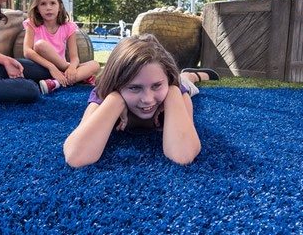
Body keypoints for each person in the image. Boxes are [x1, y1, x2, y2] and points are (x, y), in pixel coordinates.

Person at [63, 34, 219, 168]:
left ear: (167, 80)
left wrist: (172, 93)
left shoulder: (174, 91)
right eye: (134, 88)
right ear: (116, 85)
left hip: (176, 83)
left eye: (156, 85)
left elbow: (183, 155)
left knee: (185, 81)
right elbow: (76, 156)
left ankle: (192, 75)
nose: (147, 99)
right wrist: (115, 100)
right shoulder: (102, 96)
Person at [22, 0, 100, 94]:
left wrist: (72, 67)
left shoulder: (68, 26)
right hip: (42, 67)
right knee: (40, 45)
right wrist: (51, 67)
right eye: (43, 4)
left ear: (59, 6)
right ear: (37, 9)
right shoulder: (32, 24)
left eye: (53, 3)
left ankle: (55, 83)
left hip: (63, 69)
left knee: (95, 64)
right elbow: (27, 51)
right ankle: (81, 77)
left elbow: (74, 57)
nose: (48, 7)